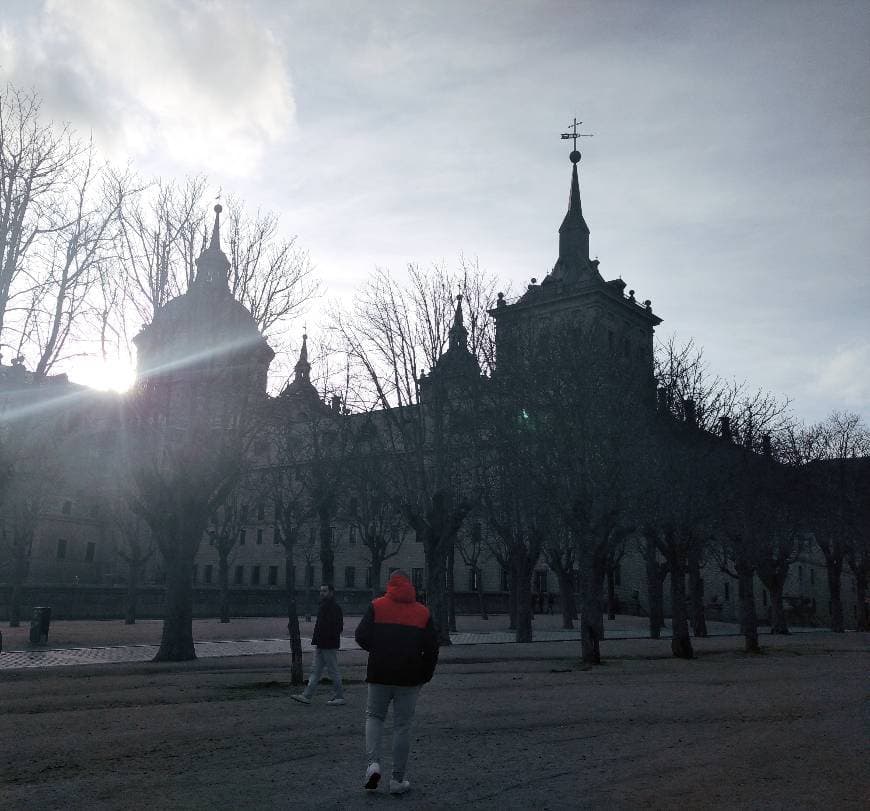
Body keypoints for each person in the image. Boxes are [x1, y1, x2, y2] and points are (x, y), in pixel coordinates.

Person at [355, 569, 439, 796]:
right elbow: (432, 648)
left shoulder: (377, 606)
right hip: (410, 677)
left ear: (389, 584)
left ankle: (373, 764)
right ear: (410, 585)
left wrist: (379, 649)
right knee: (402, 726)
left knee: (374, 717)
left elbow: (360, 635)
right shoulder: (422, 613)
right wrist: (425, 674)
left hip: (379, 673)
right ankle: (397, 779)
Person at [291, 583, 345, 706]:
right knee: (317, 670)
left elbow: (336, 627)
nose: (322, 593)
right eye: (321, 591)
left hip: (326, 643)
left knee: (330, 670)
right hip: (324, 643)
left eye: (324, 591)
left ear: (331, 592)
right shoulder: (328, 606)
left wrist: (324, 638)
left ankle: (339, 696)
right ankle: (307, 695)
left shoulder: (331, 607)